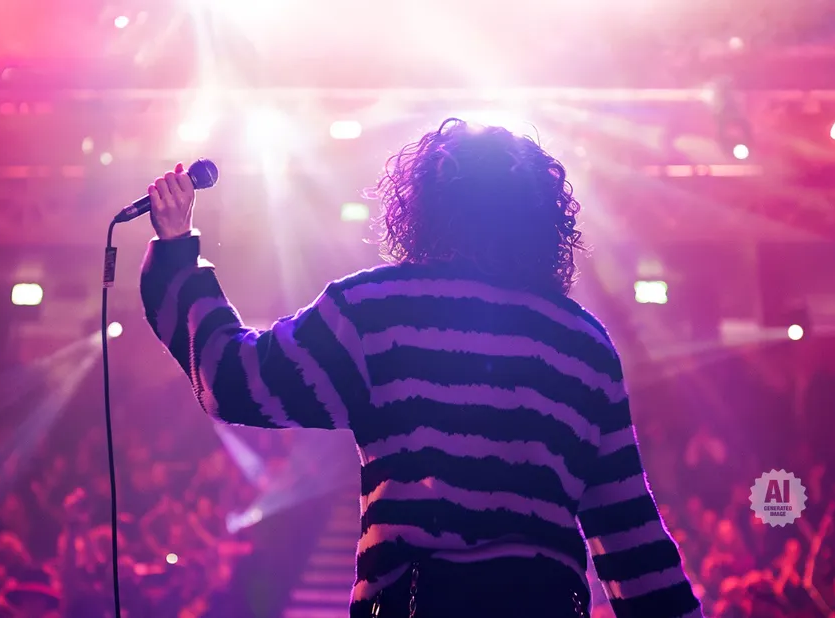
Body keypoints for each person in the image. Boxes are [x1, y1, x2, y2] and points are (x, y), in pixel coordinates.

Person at [140, 118, 703, 617]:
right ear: (542, 219)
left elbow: (234, 381)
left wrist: (176, 251)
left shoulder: (378, 310)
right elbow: (633, 541)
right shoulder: (583, 343)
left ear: (421, 206)